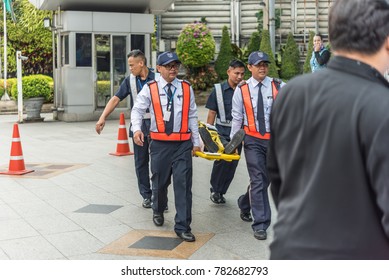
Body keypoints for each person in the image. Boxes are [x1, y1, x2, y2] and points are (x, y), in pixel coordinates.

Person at [268, 0, 389, 259]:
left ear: (332, 39)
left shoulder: (291, 94)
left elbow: (279, 183)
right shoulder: (382, 105)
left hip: (290, 252)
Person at [131, 51, 201, 242]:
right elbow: (137, 110)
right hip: (160, 144)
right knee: (160, 183)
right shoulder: (150, 88)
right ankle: (158, 208)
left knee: (183, 184)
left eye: (175, 65)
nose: (173, 69)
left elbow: (192, 116)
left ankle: (183, 226)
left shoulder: (186, 88)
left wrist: (196, 141)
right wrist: (137, 129)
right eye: (169, 66)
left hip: (182, 144)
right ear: (159, 68)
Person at [230, 51, 285, 240]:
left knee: (264, 179)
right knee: (258, 179)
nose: (262, 67)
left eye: (265, 64)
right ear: (250, 67)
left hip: (274, 140)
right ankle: (261, 223)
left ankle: (245, 203)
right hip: (252, 140)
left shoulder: (278, 86)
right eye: (258, 64)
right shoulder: (242, 89)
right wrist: (234, 143)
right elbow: (237, 118)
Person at [95, 50, 155, 209]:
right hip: (139, 125)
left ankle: (158, 194)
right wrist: (103, 117)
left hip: (157, 126)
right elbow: (115, 99)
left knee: (158, 163)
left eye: (132, 65)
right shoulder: (130, 81)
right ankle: (147, 196)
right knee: (141, 162)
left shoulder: (157, 78)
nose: (130, 68)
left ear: (141, 63)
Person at [203, 59, 246, 204]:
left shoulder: (245, 90)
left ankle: (221, 191)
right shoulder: (219, 90)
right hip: (221, 132)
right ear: (229, 72)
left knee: (232, 164)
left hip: (238, 134)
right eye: (236, 73)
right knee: (221, 162)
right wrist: (208, 134)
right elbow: (212, 113)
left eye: (242, 74)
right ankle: (215, 189)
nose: (239, 77)